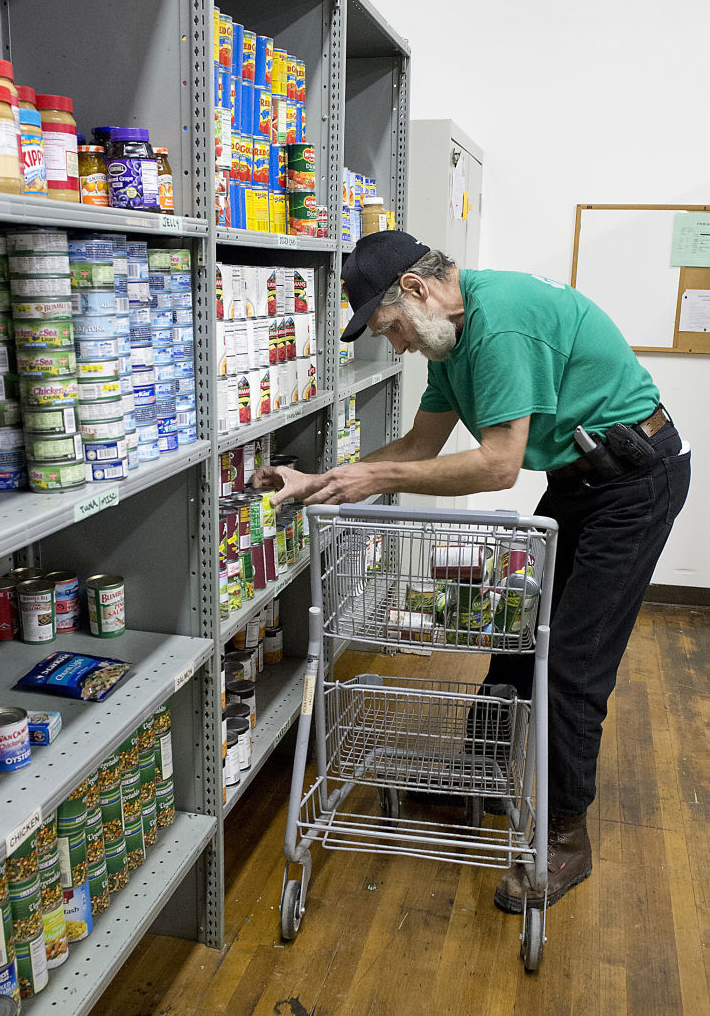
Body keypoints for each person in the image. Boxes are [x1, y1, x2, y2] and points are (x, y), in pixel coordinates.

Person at [252, 229, 691, 914]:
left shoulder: (499, 325)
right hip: (580, 480)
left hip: (633, 485)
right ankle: (481, 778)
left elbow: (496, 465)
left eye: (386, 326)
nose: (390, 344)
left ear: (416, 290)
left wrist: (369, 480)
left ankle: (565, 836)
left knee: (572, 663)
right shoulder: (449, 342)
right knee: (520, 637)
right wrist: (321, 481)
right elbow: (419, 445)